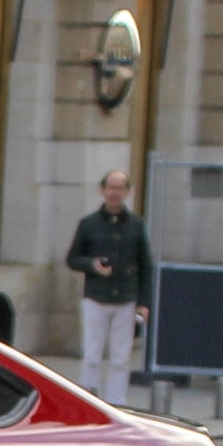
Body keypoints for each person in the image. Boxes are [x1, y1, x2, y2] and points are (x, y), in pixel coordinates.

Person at [66, 168, 152, 406]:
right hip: (96, 297)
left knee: (120, 357)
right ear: (102, 190)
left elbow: (146, 265)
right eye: (111, 188)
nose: (115, 193)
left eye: (120, 188)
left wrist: (144, 302)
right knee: (92, 354)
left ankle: (117, 402)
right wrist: (92, 265)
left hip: (126, 298)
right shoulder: (88, 224)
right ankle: (89, 398)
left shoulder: (136, 225)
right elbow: (72, 258)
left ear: (128, 192)